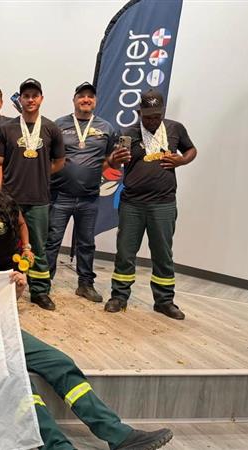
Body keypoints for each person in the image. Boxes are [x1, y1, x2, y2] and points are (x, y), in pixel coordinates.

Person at [0, 236, 174, 450]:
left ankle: (118, 435)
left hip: (2, 331)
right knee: (20, 384)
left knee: (60, 362)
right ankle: (57, 446)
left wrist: (15, 291)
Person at [105, 90, 198, 320]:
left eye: (156, 116)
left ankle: (164, 301)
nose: (152, 120)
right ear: (139, 113)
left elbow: (191, 150)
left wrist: (182, 160)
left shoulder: (176, 129)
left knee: (163, 254)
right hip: (132, 204)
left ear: (163, 112)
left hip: (163, 203)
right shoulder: (128, 133)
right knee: (125, 252)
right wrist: (114, 160)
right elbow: (111, 162)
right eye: (147, 116)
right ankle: (119, 296)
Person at [0, 78, 65, 311]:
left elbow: (59, 162)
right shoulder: (7, 129)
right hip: (10, 198)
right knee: (5, 244)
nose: (30, 99)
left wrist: (41, 174)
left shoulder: (51, 128)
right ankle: (4, 290)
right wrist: (0, 192)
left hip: (39, 199)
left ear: (41, 99)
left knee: (38, 248)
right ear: (20, 99)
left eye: (35, 95)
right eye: (26, 96)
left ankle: (40, 291)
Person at [45, 82, 122, 303]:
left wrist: (94, 172)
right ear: (74, 99)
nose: (86, 100)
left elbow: (109, 161)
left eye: (90, 96)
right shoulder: (58, 125)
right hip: (59, 195)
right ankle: (44, 284)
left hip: (89, 197)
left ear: (95, 101)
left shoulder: (106, 128)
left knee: (86, 243)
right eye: (82, 96)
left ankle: (85, 285)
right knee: (52, 241)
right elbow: (49, 158)